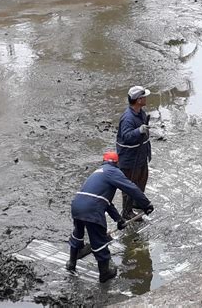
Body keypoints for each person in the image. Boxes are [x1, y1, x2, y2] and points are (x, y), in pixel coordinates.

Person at [66, 151, 154, 283]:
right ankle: (104, 273)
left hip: (77, 205)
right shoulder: (113, 171)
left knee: (78, 233)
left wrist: (119, 219)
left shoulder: (98, 172)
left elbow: (105, 202)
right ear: (117, 163)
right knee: (99, 240)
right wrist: (146, 204)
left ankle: (71, 263)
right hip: (92, 209)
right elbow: (131, 188)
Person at [116, 86, 152, 220]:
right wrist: (139, 131)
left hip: (141, 156)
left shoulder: (141, 112)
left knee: (142, 180)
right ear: (138, 100)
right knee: (129, 186)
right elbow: (126, 136)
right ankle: (126, 211)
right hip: (130, 160)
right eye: (144, 97)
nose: (146, 99)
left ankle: (137, 202)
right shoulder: (128, 118)